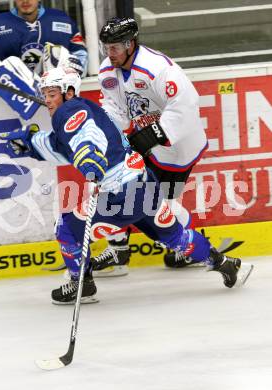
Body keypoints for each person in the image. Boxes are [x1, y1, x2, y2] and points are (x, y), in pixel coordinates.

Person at [0, 66, 253, 305]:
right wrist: (31, 142)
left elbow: (85, 136)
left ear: (68, 92)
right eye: (45, 95)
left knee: (66, 228)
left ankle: (81, 285)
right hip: (144, 186)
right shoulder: (88, 109)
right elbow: (63, 145)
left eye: (53, 94)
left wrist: (88, 155)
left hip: (121, 195)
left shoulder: (70, 111)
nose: (48, 101)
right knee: (175, 236)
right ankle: (224, 263)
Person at [92, 16, 209, 274]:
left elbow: (186, 102)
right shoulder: (108, 71)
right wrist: (104, 128)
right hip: (147, 146)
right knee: (115, 185)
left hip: (178, 148)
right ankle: (119, 249)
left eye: (115, 48)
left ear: (130, 44)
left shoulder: (157, 68)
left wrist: (154, 134)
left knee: (160, 204)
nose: (109, 54)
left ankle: (192, 245)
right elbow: (115, 109)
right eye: (106, 48)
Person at [0, 0, 88, 81]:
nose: (25, 1)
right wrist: (9, 80)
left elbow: (80, 57)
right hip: (13, 103)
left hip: (56, 97)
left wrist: (65, 76)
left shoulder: (62, 19)